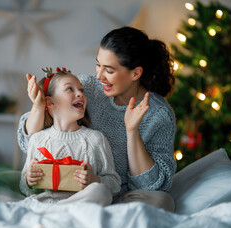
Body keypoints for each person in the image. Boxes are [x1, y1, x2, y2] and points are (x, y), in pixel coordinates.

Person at [18, 26, 177, 212]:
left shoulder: (159, 114)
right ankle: (63, 212)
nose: (99, 76)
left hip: (117, 196)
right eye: (98, 65)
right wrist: (38, 107)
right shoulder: (86, 88)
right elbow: (29, 141)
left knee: (162, 201)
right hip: (66, 194)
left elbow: (151, 186)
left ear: (135, 73)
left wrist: (132, 131)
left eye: (108, 70)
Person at [20, 67, 121, 206]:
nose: (80, 93)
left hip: (80, 207)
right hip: (43, 206)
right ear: (50, 102)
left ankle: (61, 211)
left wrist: (94, 180)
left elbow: (115, 185)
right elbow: (25, 188)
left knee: (100, 191)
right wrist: (28, 180)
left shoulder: (96, 139)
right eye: (70, 89)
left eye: (81, 90)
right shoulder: (37, 139)